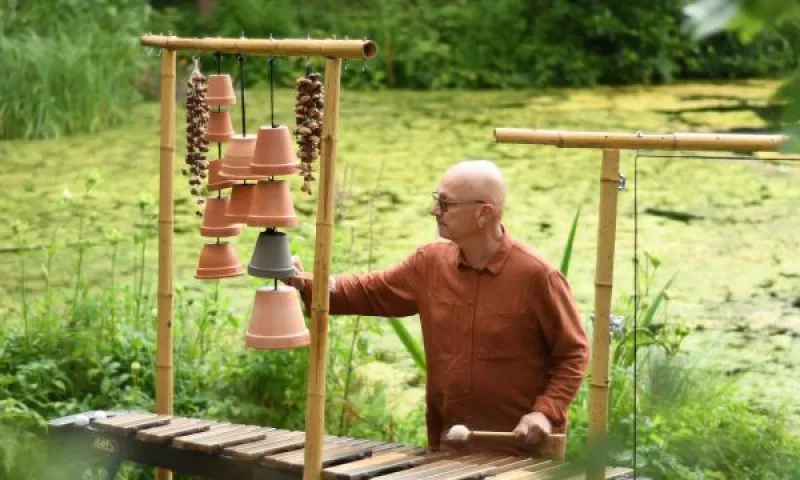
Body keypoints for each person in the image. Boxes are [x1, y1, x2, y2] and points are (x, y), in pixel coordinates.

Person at [286, 159, 590, 458]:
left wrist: (546, 412)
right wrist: (306, 283)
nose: (435, 210)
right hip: (450, 450)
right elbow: (369, 291)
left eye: (446, 204)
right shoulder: (429, 263)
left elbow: (573, 353)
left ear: (485, 213)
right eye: (436, 201)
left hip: (521, 455)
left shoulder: (538, 276)